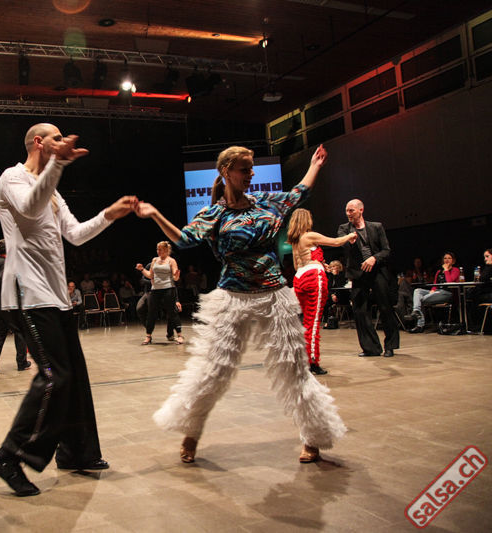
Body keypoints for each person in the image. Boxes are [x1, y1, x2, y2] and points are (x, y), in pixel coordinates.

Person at [136, 144, 345, 465]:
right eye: (245, 169)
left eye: (251, 168)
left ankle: (313, 436)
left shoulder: (266, 202)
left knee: (294, 368)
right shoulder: (215, 214)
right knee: (213, 370)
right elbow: (184, 240)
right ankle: (191, 431)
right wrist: (154, 214)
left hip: (274, 296)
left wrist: (315, 164)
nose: (251, 174)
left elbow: (299, 193)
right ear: (226, 172)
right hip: (232, 297)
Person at [0, 122, 136, 496]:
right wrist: (58, 164)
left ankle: (76, 452)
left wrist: (109, 215)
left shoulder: (53, 191)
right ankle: (9, 456)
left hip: (54, 296)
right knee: (55, 376)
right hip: (27, 293)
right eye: (55, 138)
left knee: (75, 378)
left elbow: (76, 234)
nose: (62, 141)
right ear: (39, 142)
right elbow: (28, 207)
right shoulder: (12, 178)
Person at [287, 208, 357, 375]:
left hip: (299, 278)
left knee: (305, 322)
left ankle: (302, 360)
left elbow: (297, 266)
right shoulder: (309, 236)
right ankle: (312, 362)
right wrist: (350, 235)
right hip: (313, 278)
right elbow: (335, 242)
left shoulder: (295, 242)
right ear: (307, 220)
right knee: (312, 322)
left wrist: (318, 262)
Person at [338, 199, 399, 357]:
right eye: (347, 211)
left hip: (377, 271)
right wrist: (350, 242)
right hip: (358, 273)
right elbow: (342, 246)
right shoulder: (344, 229)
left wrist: (374, 258)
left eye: (351, 210)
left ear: (361, 210)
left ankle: (390, 346)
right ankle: (371, 348)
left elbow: (386, 250)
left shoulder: (376, 227)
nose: (348, 213)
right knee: (360, 310)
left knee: (385, 308)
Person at [0, 239, 29, 373]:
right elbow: (6, 283)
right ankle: (22, 362)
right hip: (4, 300)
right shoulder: (5, 263)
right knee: (19, 329)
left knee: (0, 331)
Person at [136, 241, 183, 345]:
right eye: (157, 249)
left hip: (168, 288)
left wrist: (176, 276)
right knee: (151, 313)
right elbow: (150, 275)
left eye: (160, 249)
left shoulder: (171, 261)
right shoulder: (154, 260)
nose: (158, 251)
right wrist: (142, 269)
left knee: (172, 312)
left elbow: (175, 278)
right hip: (155, 290)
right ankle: (148, 336)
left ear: (166, 250)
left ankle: (179, 335)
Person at [407, 252, 460, 333]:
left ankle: (419, 325)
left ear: (453, 261)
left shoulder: (455, 270)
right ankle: (416, 310)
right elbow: (435, 284)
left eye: (449, 258)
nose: (447, 260)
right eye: (445, 258)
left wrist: (446, 270)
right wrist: (432, 290)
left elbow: (449, 282)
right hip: (437, 292)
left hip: (447, 293)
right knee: (417, 291)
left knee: (419, 300)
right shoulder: (439, 272)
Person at [467, 248, 492, 333]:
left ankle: (476, 326)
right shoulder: (488, 268)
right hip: (486, 293)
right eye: (484, 257)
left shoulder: (489, 268)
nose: (485, 259)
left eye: (487, 256)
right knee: (472, 297)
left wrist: (490, 266)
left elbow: (482, 278)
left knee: (474, 298)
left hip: (488, 294)